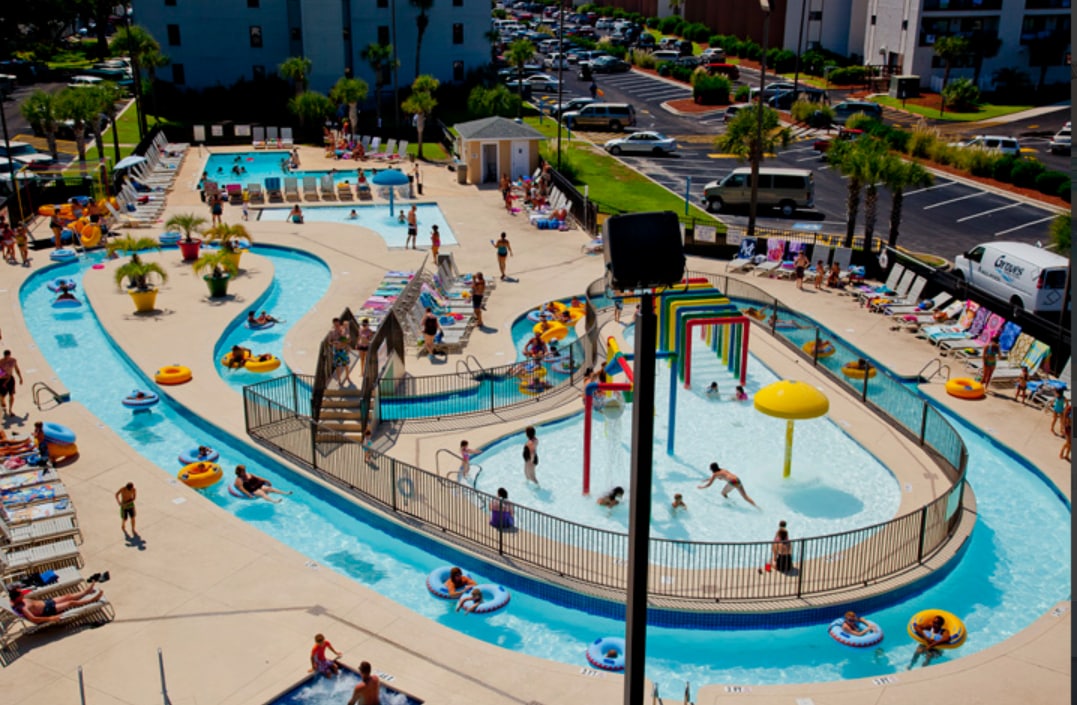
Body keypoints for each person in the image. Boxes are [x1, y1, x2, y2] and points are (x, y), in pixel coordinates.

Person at [8, 584, 105, 624]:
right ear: (17, 597)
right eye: (21, 593)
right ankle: (92, 600)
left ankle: (85, 592)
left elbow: (10, 602)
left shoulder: (15, 600)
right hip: (48, 610)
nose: (23, 593)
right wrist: (51, 618)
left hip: (46, 602)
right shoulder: (23, 607)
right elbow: (34, 619)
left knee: (67, 596)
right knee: (70, 603)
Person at [328, 318, 352, 386]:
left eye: (338, 324)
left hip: (344, 350)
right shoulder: (331, 332)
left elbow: (348, 339)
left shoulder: (343, 329)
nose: (337, 325)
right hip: (337, 351)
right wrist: (334, 342)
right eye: (335, 325)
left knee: (346, 365)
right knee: (338, 366)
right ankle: (339, 380)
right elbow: (329, 341)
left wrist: (345, 338)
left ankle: (347, 376)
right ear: (333, 324)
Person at [0, 349, 24, 416]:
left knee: (11, 395)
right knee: (2, 395)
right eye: (5, 357)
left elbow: (17, 369)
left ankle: (10, 410)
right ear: (4, 355)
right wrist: (3, 374)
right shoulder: (0, 362)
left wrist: (20, 378)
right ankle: (2, 400)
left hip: (11, 379)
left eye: (8, 356)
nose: (7, 358)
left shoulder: (13, 361)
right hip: (2, 380)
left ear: (10, 355)